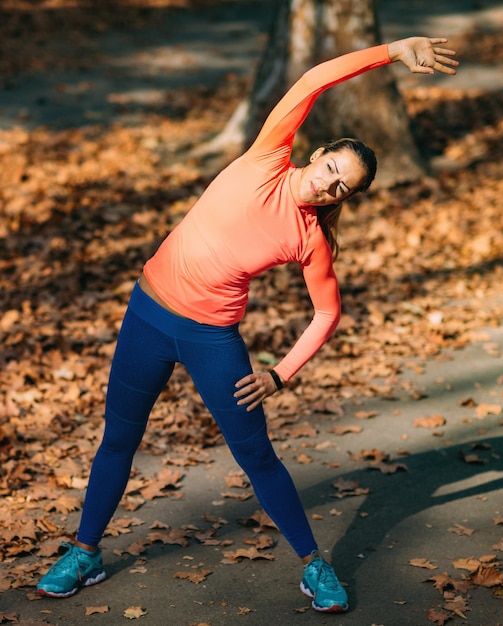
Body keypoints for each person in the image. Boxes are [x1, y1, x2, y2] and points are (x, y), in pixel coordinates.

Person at [36, 35, 458, 612]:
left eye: (343, 188)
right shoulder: (266, 158)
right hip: (148, 316)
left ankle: (314, 566)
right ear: (318, 152)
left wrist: (281, 374)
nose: (329, 185)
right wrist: (393, 51)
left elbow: (328, 312)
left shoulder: (310, 240)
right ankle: (85, 552)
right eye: (331, 168)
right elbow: (313, 80)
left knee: (257, 455)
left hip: (212, 338)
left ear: (348, 197)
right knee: (119, 438)